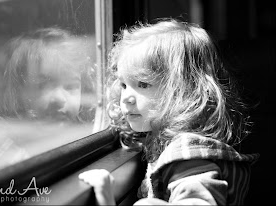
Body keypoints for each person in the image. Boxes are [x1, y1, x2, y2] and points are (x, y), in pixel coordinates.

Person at [78, 18, 259, 205]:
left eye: (143, 84)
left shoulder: (187, 155)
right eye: (124, 84)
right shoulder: (160, 142)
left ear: (184, 91)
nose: (126, 97)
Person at [0, 27, 96, 124]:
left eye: (71, 86)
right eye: (42, 85)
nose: (60, 98)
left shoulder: (85, 133)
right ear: (16, 91)